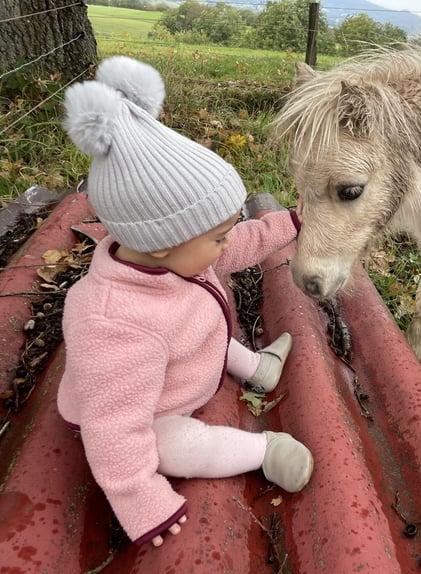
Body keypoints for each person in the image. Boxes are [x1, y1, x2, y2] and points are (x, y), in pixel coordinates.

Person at [57, 56, 313, 547]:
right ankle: (262, 450)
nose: (226, 244)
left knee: (208, 333)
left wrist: (290, 225)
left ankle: (259, 368)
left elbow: (242, 244)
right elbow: (113, 433)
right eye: (217, 236)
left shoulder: (179, 256)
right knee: (172, 447)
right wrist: (140, 498)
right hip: (146, 412)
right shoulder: (114, 326)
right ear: (162, 240)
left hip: (187, 359)